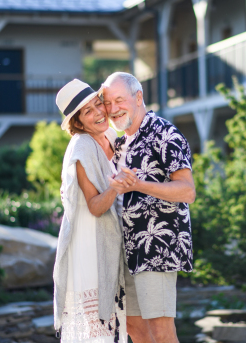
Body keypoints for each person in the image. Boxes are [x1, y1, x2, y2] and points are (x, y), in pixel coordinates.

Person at [102, 72, 196, 343]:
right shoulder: (121, 143)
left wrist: (139, 185)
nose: (113, 109)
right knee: (134, 327)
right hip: (128, 250)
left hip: (157, 249)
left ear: (138, 97)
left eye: (119, 100)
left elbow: (187, 191)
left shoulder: (164, 133)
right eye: (108, 103)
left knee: (161, 331)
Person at [52, 79, 128, 343]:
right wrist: (117, 188)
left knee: (113, 329)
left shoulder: (110, 136)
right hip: (89, 248)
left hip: (107, 242)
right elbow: (95, 206)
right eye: (87, 112)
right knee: (97, 334)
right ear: (78, 123)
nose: (98, 113)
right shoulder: (82, 146)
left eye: (98, 104)